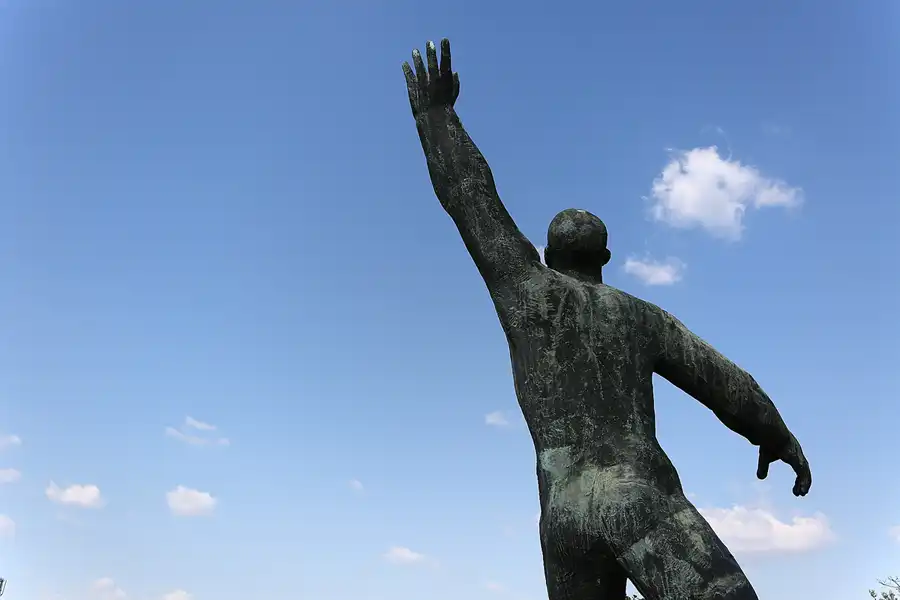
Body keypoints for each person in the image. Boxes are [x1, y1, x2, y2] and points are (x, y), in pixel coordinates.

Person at [402, 40, 811, 600]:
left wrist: (435, 118)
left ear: (547, 255)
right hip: (635, 496)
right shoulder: (639, 317)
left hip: (562, 519)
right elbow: (725, 383)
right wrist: (774, 432)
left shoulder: (525, 290)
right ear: (606, 259)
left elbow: (472, 200)